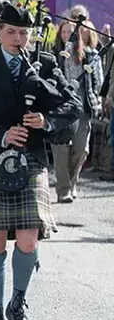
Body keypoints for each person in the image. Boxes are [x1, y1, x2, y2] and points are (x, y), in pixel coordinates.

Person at [0, 2, 80, 320]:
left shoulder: (44, 64)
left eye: (24, 33)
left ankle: (18, 303)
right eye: (11, 32)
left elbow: (71, 105)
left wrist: (47, 121)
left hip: (31, 159)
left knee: (29, 240)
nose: (18, 39)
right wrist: (1, 135)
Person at [52, 12, 103, 203]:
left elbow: (96, 81)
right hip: (61, 108)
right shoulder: (54, 54)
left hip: (82, 107)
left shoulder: (89, 55)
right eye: (63, 32)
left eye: (70, 32)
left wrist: (96, 100)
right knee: (61, 148)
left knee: (82, 149)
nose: (67, 35)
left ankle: (72, 182)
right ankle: (63, 189)